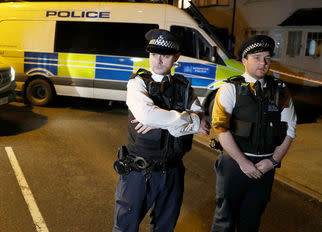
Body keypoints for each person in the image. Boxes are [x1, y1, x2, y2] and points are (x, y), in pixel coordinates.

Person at [112, 29, 210, 232]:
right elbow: (148, 115)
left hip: (172, 171)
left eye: (165, 55)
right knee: (125, 228)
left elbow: (202, 122)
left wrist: (160, 120)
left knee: (165, 228)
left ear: (176, 57)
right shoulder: (137, 82)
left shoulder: (183, 87)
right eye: (154, 54)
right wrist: (184, 120)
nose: (158, 60)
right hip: (139, 172)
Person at [210, 35, 297, 232]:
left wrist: (273, 161)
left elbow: (290, 130)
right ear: (244, 60)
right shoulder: (230, 88)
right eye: (256, 57)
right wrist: (243, 162)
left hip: (265, 166)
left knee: (251, 220)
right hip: (233, 166)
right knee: (224, 221)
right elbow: (221, 128)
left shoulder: (280, 91)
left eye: (267, 58)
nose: (263, 63)